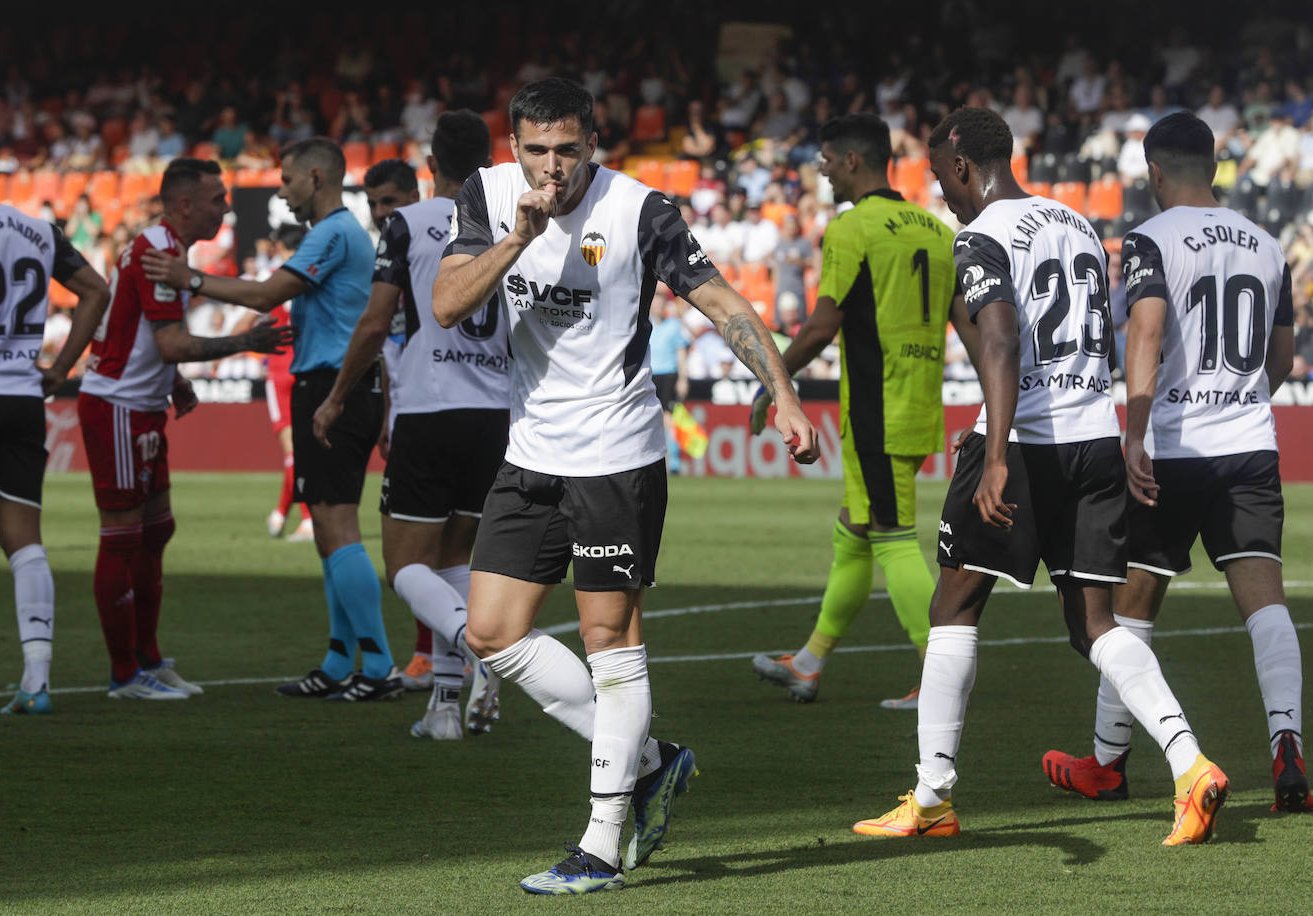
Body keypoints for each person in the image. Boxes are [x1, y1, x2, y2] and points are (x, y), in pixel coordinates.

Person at [432, 77, 820, 894]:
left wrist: (783, 391)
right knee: (490, 634)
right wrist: (516, 238)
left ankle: (602, 843)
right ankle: (649, 759)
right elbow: (445, 304)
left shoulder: (640, 210)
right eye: (536, 150)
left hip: (615, 451)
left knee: (611, 642)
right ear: (513, 149)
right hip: (530, 449)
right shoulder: (489, 195)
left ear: (593, 146)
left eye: (567, 150)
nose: (551, 167)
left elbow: (722, 305)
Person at [852, 107, 1229, 846]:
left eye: (940, 179)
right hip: (1093, 438)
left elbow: (997, 334)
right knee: (1096, 624)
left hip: (1027, 441)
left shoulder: (982, 234)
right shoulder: (1076, 222)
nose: (943, 196)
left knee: (954, 607)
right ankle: (1191, 765)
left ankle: (932, 797)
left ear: (963, 167)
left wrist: (995, 453)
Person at [1042, 112, 1310, 813]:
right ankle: (1288, 745)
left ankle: (1106, 762)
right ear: (1214, 166)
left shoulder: (1149, 239)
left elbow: (1148, 328)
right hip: (1249, 446)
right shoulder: (1268, 244)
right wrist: (1240, 398)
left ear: (1155, 172)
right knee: (1266, 604)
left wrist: (1132, 433)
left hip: (1174, 448)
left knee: (1128, 609)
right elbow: (1281, 360)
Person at [144, 138, 400, 702]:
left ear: (315, 176)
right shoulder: (335, 233)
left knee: (338, 527)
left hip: (336, 387)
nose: (281, 190)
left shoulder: (334, 232)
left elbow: (265, 295)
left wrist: (188, 279)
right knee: (329, 531)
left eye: (286, 179)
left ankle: (379, 665)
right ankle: (339, 660)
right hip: (334, 385)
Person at [750, 113, 977, 709]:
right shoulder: (934, 229)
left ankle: (941, 679)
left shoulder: (855, 229)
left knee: (894, 538)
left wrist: (776, 382)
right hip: (917, 401)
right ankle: (808, 663)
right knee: (854, 535)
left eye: (825, 159)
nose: (820, 170)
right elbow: (968, 327)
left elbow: (824, 324)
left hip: (876, 408)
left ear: (852, 160)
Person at [314, 109, 504, 740]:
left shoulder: (409, 224)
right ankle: (445, 708)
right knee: (454, 559)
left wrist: (338, 396)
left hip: (429, 407)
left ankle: (480, 645)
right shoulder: (516, 225)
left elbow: (374, 324)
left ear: (431, 167)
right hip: (497, 414)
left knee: (403, 568)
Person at [79, 157, 292, 699]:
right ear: (184, 205)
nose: (225, 206)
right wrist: (245, 342)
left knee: (156, 532)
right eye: (217, 198)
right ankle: (124, 674)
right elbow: (170, 342)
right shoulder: (160, 251)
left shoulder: (164, 247)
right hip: (118, 405)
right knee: (123, 538)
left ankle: (147, 659)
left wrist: (170, 381)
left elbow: (147, 335)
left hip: (141, 403)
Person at [0, 128, 111, 714]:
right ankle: (37, 681)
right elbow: (95, 289)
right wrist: (61, 368)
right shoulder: (39, 231)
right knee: (23, 541)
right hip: (20, 399)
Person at [359, 157, 429, 691]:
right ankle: (439, 656)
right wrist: (387, 412)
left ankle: (447, 649)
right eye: (374, 204)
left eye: (390, 201)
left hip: (435, 412)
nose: (382, 213)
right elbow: (390, 349)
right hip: (408, 410)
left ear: (414, 195)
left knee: (411, 557)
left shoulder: (429, 246)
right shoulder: (389, 258)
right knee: (433, 548)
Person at [261, 226, 315, 543]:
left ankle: (307, 519)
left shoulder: (275, 276)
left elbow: (257, 309)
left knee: (292, 452)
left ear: (279, 246)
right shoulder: (312, 275)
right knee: (301, 450)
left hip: (280, 369)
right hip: (307, 365)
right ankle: (281, 513)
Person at [648, 289, 690, 474]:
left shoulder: (673, 326)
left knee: (668, 418)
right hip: (648, 374)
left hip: (668, 375)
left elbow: (681, 353)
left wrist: (683, 378)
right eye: (655, 302)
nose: (658, 306)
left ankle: (673, 461)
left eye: (661, 303)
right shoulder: (643, 325)